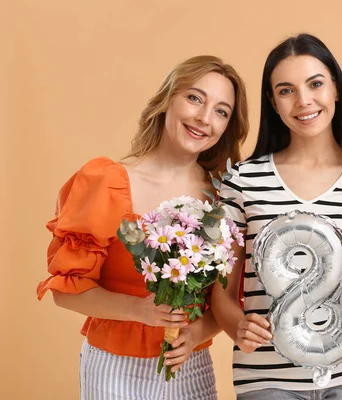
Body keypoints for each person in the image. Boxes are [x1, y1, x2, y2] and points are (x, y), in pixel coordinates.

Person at [36, 55, 249, 399]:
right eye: (194, 98)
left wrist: (196, 334)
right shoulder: (106, 182)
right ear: (167, 99)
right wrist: (140, 311)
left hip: (189, 366)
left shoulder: (223, 197)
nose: (204, 118)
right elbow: (65, 290)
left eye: (221, 111)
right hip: (112, 366)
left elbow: (226, 300)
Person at [211, 33, 342, 400]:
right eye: (286, 90)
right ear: (273, 102)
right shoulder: (241, 182)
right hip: (265, 380)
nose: (303, 101)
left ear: (336, 90)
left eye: (315, 84)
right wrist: (239, 328)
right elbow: (222, 294)